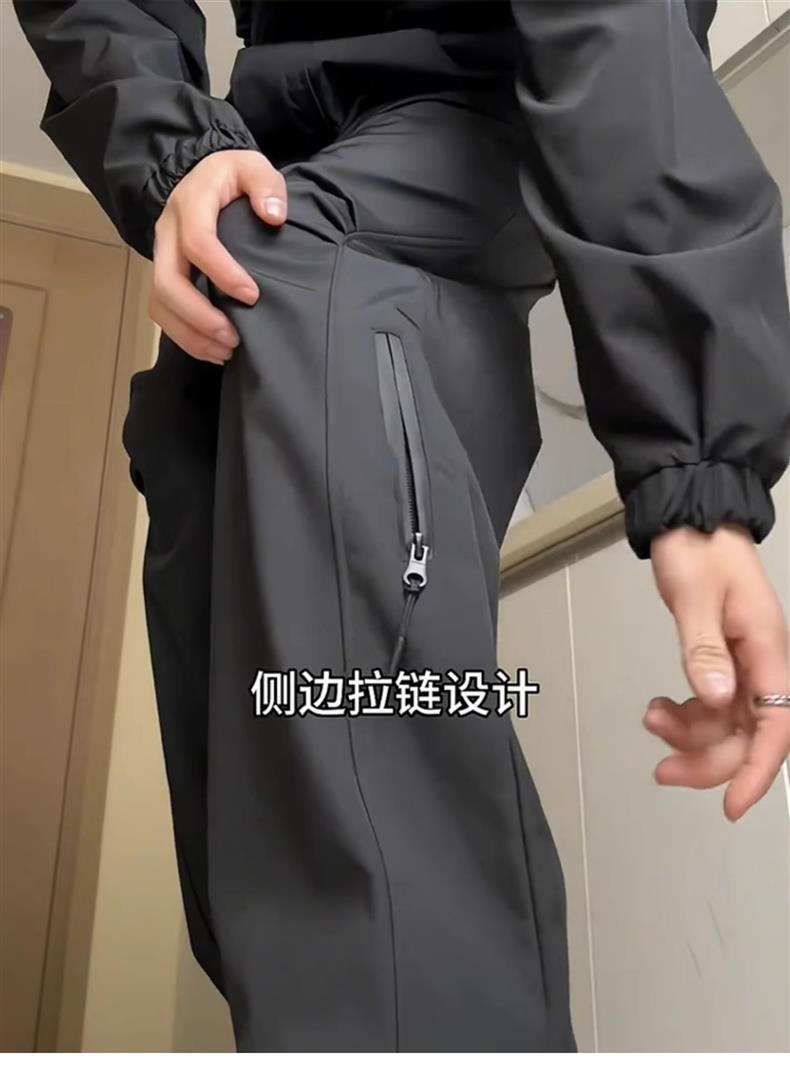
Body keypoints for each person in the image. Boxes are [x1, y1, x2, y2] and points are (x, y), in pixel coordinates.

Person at [14, 0, 790, 1053]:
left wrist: (697, 472)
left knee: (287, 269)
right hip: (282, 125)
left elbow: (612, 21)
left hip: (474, 96)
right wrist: (173, 148)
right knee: (202, 410)